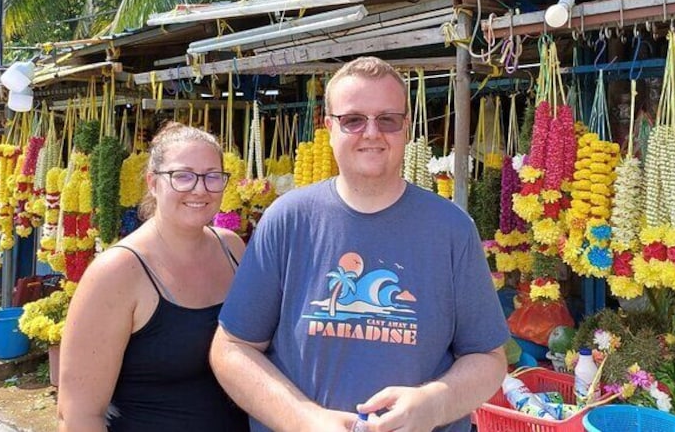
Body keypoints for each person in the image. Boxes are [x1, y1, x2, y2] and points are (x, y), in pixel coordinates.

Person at [211, 57, 509, 432]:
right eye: (353, 119)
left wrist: (433, 405)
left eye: (387, 119)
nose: (371, 132)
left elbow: (488, 357)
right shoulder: (287, 219)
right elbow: (231, 349)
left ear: (406, 127)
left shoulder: (452, 228)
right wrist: (304, 420)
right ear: (329, 127)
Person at [58, 122, 250, 432]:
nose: (200, 189)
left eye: (213, 176)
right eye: (182, 176)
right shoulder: (117, 272)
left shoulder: (232, 247)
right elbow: (78, 415)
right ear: (152, 182)